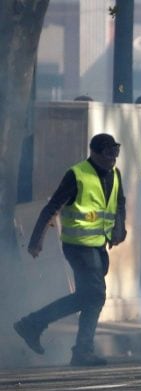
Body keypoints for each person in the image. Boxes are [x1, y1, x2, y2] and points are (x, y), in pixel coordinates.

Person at [13, 133, 127, 366]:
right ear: (94, 153)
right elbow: (52, 207)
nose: (112, 159)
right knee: (95, 295)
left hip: (97, 246)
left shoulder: (115, 175)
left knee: (87, 297)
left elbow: (120, 203)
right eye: (107, 154)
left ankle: (33, 324)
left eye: (115, 152)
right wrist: (36, 241)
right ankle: (81, 349)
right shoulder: (77, 175)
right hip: (78, 247)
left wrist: (119, 229)